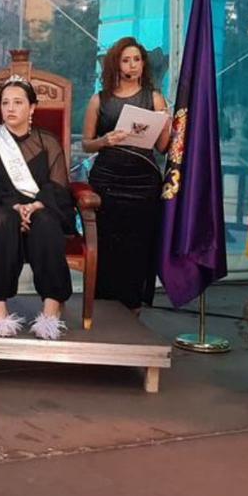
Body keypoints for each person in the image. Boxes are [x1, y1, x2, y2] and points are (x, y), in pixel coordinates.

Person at [0, 78, 76, 339]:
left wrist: (36, 205)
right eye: (5, 103)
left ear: (32, 108)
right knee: (2, 221)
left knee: (46, 222)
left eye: (18, 102)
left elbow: (59, 186)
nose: (10, 108)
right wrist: (16, 206)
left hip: (43, 206)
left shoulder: (48, 142)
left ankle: (51, 311)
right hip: (1, 206)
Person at [80, 37, 171, 312]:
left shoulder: (154, 97)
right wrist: (106, 140)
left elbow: (163, 147)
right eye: (126, 60)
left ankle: (133, 308)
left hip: (143, 182)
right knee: (106, 245)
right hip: (107, 180)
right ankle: (101, 308)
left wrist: (166, 121)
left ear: (144, 64)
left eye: (137, 59)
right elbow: (86, 144)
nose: (132, 65)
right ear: (115, 64)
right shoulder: (100, 100)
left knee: (137, 248)